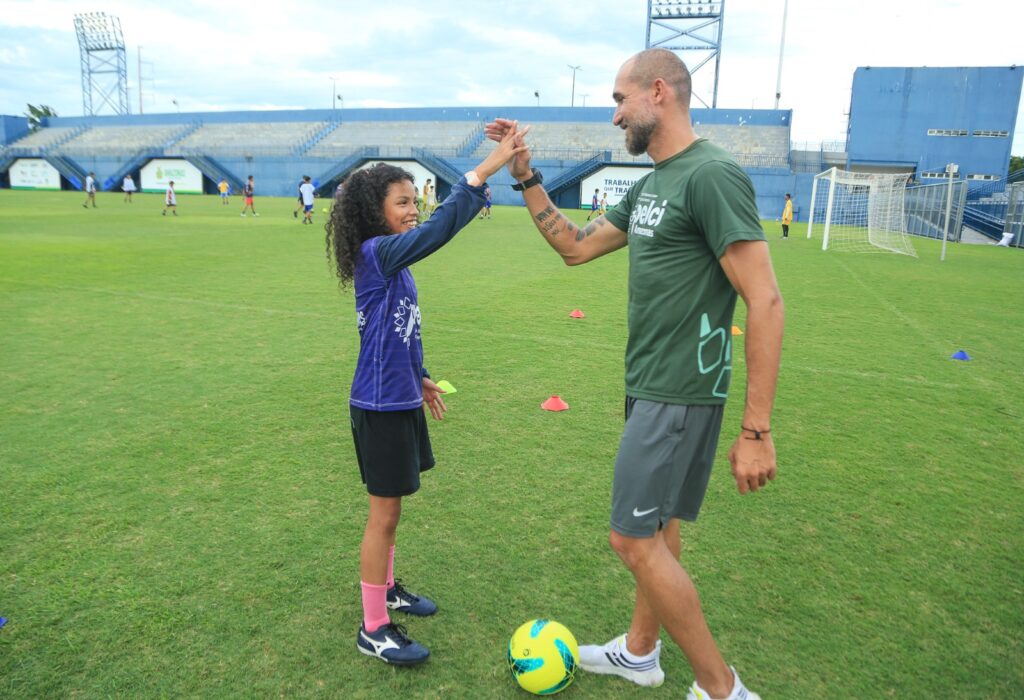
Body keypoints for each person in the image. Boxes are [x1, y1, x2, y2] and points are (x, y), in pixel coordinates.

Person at [486, 48, 783, 700]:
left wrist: (756, 429)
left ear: (659, 92)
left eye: (620, 100)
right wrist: (526, 175)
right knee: (658, 528)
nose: (616, 114)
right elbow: (576, 246)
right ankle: (641, 653)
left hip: (679, 390)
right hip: (648, 383)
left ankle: (723, 689)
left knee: (630, 539)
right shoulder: (654, 184)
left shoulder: (711, 176)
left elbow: (764, 299)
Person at [324, 124, 527, 667]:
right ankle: (373, 627)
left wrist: (420, 375)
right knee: (382, 515)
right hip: (377, 405)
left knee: (392, 511)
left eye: (417, 200)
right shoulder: (376, 253)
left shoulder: (394, 263)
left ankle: (387, 590)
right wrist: (482, 172)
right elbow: (437, 234)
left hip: (399, 397)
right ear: (375, 212)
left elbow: (399, 329)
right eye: (402, 202)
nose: (414, 209)